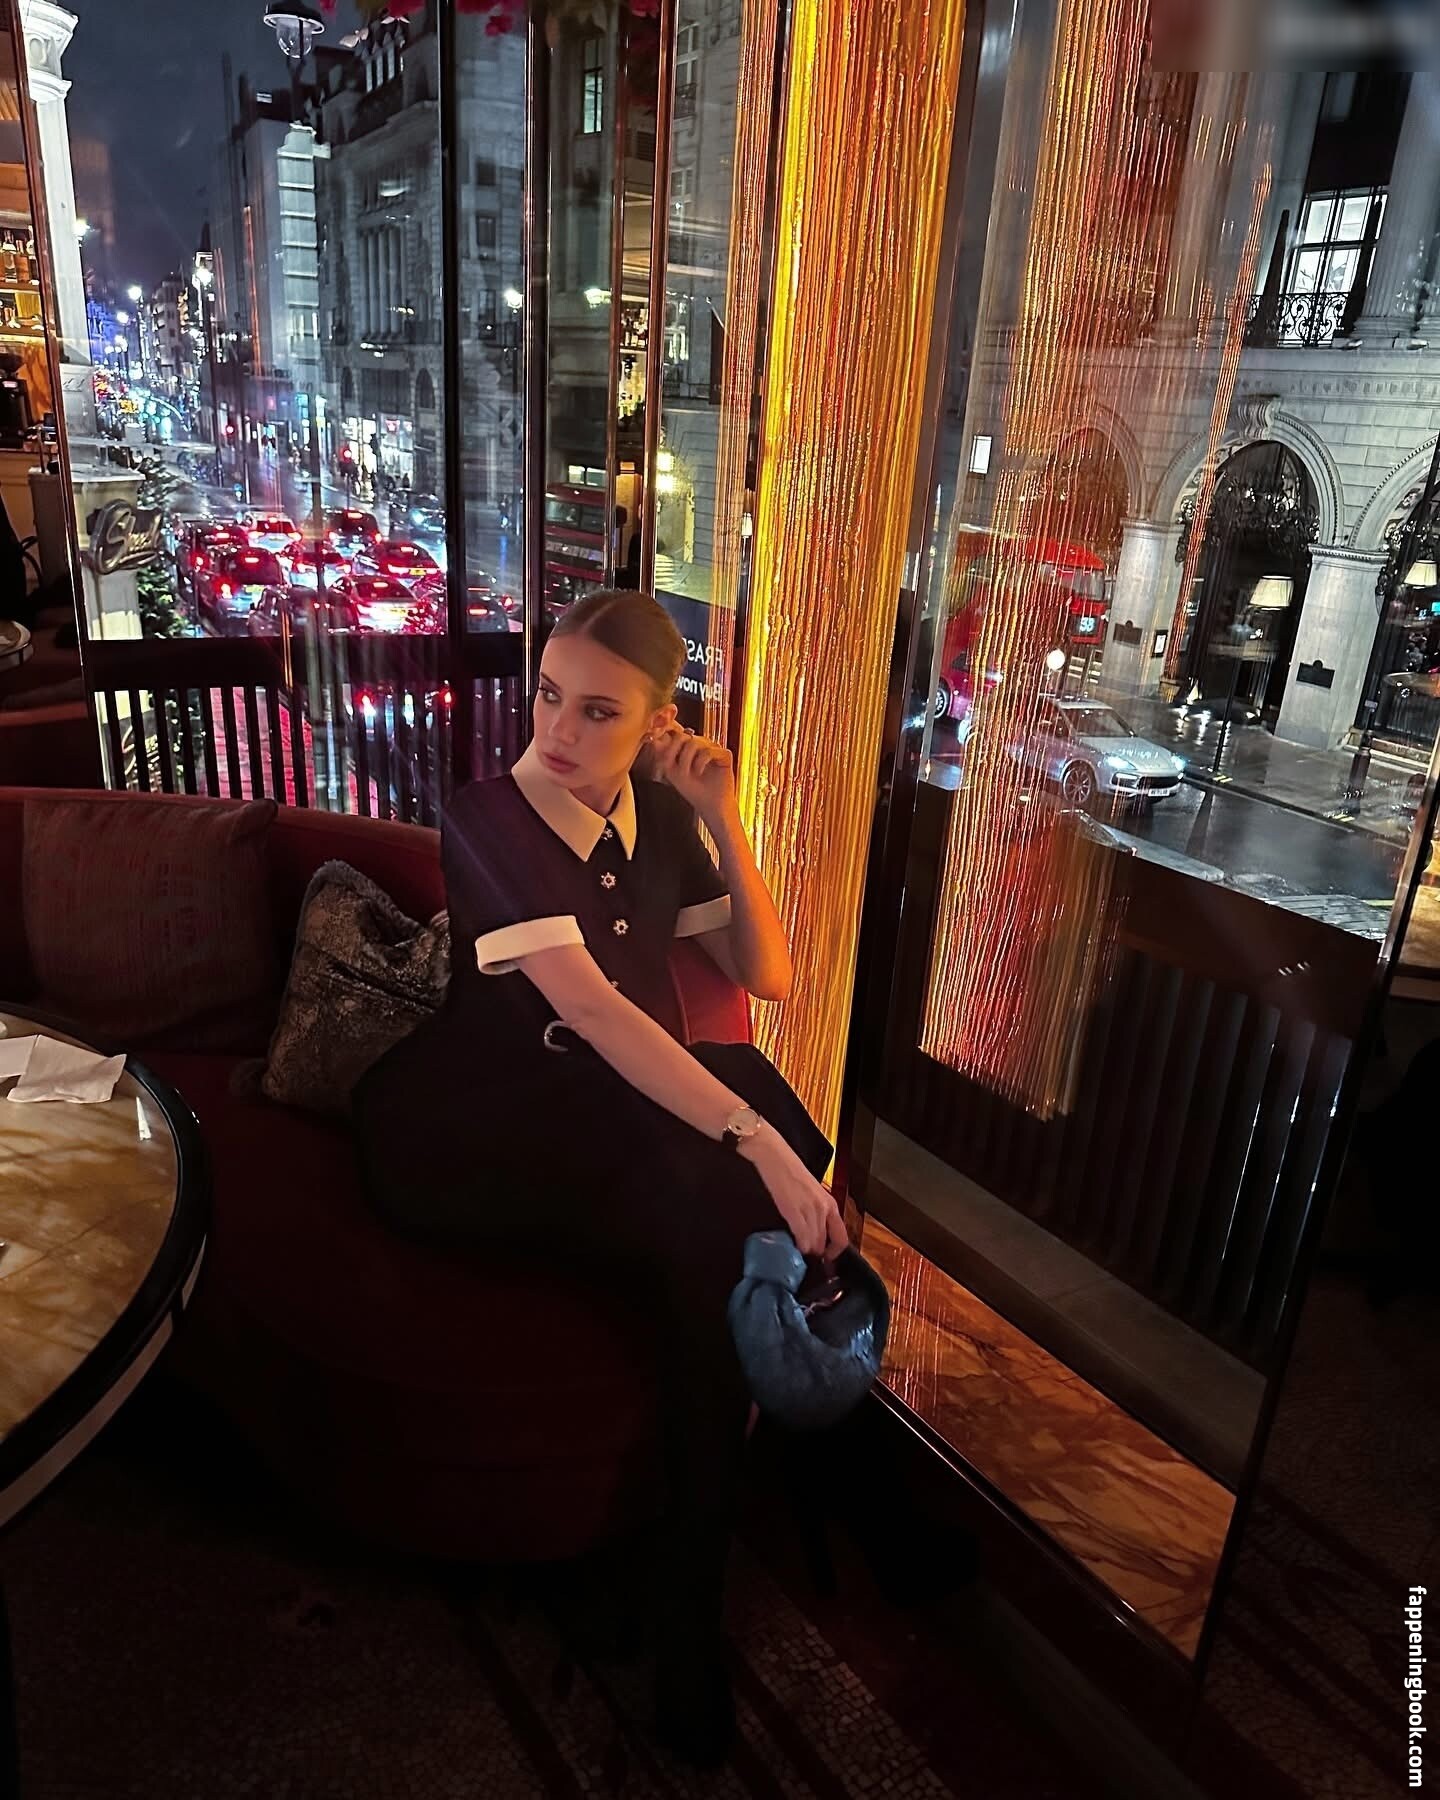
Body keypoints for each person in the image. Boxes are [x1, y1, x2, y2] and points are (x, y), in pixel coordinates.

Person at [354, 589, 845, 1765]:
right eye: (548, 697)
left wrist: (722, 814)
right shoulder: (488, 815)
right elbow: (595, 1013)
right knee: (745, 1177)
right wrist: (758, 1144)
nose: (557, 731)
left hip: (596, 1111)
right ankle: (734, 1565)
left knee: (733, 1197)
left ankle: (679, 1587)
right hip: (471, 1127)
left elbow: (768, 975)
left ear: (657, 723)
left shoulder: (661, 815)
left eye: (597, 711)